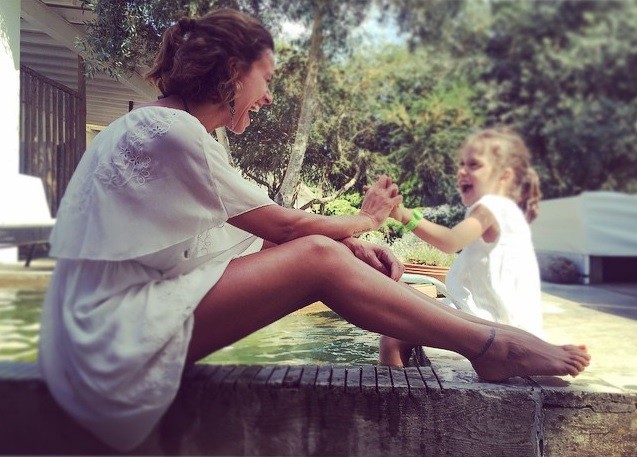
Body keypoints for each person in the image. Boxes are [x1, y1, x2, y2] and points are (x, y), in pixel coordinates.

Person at [38, 9, 589, 452]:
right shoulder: (170, 133)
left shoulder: (164, 129)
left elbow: (252, 244)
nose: (268, 96)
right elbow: (287, 224)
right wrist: (368, 219)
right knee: (319, 259)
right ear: (233, 70)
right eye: (267, 78)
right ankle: (490, 346)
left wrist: (352, 245)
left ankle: (488, 338)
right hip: (103, 343)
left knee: (326, 252)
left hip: (96, 336)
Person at [380, 127, 545, 367]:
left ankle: (393, 390)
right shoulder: (507, 211)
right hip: (503, 321)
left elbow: (450, 241)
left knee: (392, 338)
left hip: (487, 322)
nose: (461, 172)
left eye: (474, 165)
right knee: (403, 312)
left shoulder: (490, 208)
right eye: (461, 164)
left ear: (504, 176)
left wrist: (405, 215)